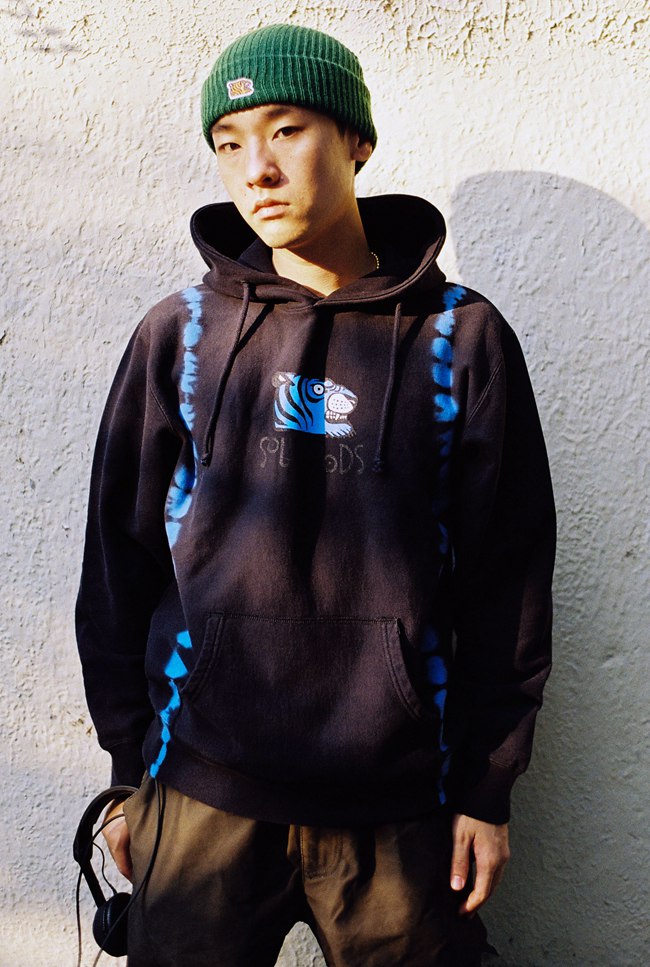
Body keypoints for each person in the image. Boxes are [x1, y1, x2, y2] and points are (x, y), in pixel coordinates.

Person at [76, 23, 555, 967]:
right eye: (228, 144)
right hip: (201, 797)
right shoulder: (180, 335)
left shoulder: (460, 339)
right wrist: (131, 770)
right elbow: (116, 564)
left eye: (286, 130)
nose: (255, 169)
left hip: (400, 805)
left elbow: (509, 580)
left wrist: (486, 786)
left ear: (356, 140)